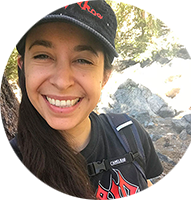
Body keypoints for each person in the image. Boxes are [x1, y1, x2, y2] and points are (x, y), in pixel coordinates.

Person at [9, 0, 163, 199]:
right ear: (23, 66)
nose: (62, 82)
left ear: (105, 76)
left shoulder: (130, 134)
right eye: (43, 56)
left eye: (83, 60)